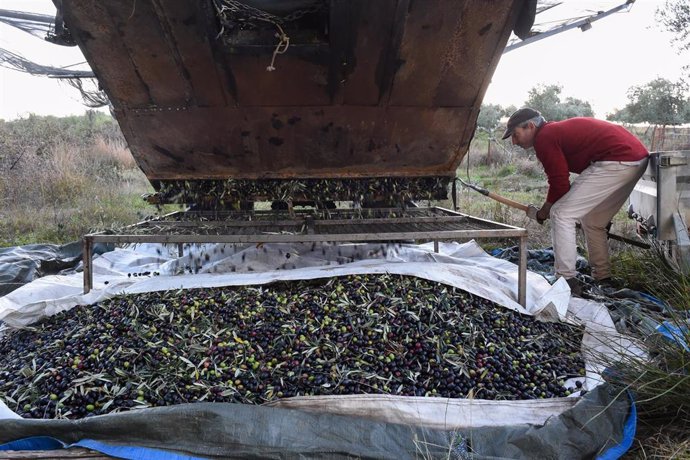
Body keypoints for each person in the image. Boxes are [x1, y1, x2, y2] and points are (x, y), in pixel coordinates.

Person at [501, 108, 649, 296]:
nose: (514, 142)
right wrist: (545, 209)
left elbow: (560, 183)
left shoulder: (545, 137)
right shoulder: (552, 132)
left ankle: (566, 279)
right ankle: (603, 278)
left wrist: (544, 212)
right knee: (593, 221)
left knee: (561, 214)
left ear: (530, 126)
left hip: (616, 159)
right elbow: (561, 183)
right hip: (636, 159)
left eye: (515, 134)